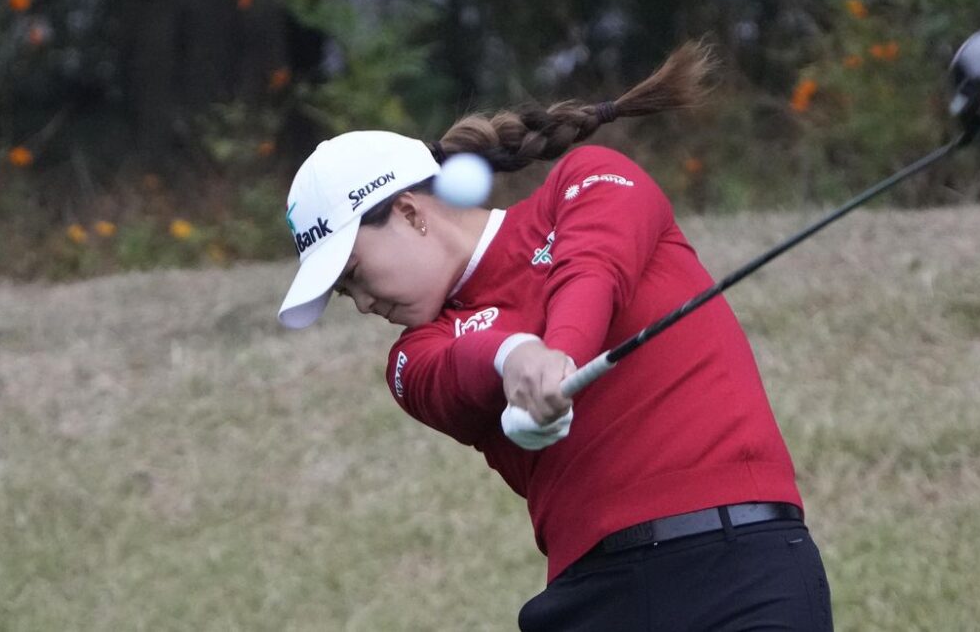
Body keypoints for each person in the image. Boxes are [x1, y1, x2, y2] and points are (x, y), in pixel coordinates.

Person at [277, 41, 833, 631]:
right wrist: (514, 356)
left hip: (745, 565)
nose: (362, 303)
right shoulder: (414, 356)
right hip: (595, 599)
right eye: (344, 294)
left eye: (355, 274)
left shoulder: (587, 179)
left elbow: (593, 267)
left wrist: (559, 351)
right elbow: (459, 370)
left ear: (412, 214)